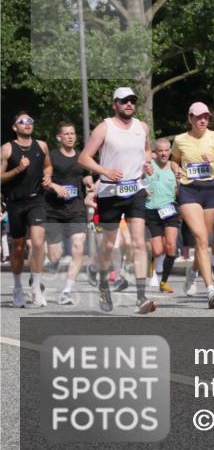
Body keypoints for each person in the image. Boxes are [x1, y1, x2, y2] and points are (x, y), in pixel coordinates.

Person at [77, 87, 157, 314]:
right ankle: (103, 285)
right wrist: (105, 171)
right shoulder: (105, 127)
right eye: (124, 101)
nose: (129, 104)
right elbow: (84, 158)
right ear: (115, 105)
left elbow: (147, 151)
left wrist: (147, 164)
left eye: (132, 100)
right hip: (110, 192)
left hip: (136, 190)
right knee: (109, 244)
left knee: (139, 242)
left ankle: (141, 297)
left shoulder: (142, 127)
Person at [171, 102, 214, 309]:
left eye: (205, 117)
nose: (202, 120)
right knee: (200, 238)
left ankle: (192, 271)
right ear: (190, 118)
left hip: (210, 190)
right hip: (189, 190)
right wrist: (176, 170)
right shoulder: (180, 140)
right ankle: (211, 291)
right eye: (198, 117)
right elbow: (174, 160)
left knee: (202, 243)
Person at [1, 112, 54, 308]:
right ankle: (17, 289)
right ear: (15, 127)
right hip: (15, 203)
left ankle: (36, 288)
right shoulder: (7, 149)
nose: (27, 124)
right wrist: (17, 170)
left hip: (36, 200)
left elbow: (48, 167)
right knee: (19, 247)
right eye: (22, 121)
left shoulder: (41, 146)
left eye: (30, 120)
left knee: (39, 242)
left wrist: (48, 177)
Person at [44, 121, 94, 304]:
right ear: (59, 137)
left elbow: (86, 175)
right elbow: (44, 179)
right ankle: (52, 264)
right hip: (54, 210)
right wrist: (55, 186)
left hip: (76, 209)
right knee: (55, 255)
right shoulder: (51, 157)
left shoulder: (82, 157)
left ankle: (67, 291)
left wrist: (89, 184)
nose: (70, 136)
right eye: (66, 134)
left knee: (78, 247)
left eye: (73, 133)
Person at [145, 137, 180, 294]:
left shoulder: (174, 168)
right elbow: (136, 179)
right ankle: (151, 266)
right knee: (158, 250)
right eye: (160, 151)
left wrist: (179, 183)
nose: (164, 153)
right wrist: (143, 189)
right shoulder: (148, 166)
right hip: (151, 209)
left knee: (171, 245)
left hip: (170, 209)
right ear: (155, 152)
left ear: (170, 152)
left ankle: (164, 281)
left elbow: (178, 191)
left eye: (167, 150)